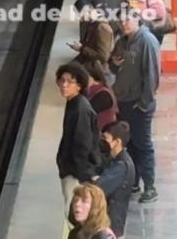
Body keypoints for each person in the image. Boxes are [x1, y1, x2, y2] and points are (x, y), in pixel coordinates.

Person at [111, 8, 160, 203]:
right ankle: (133, 182)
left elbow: (152, 75)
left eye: (127, 20)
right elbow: (115, 67)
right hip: (124, 101)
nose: (124, 23)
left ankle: (150, 186)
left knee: (143, 146)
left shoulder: (147, 41)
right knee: (129, 144)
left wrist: (144, 104)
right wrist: (114, 63)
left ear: (138, 20)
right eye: (121, 21)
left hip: (138, 104)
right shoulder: (122, 41)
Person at [57, 62, 102, 210]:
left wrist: (82, 175)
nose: (64, 85)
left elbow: (82, 144)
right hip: (73, 169)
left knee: (74, 211)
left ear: (79, 86)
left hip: (76, 174)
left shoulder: (80, 109)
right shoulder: (74, 103)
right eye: (62, 80)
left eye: (70, 82)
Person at [94, 121, 135, 238]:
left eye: (105, 138)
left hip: (111, 226)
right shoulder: (114, 159)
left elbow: (98, 188)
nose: (102, 141)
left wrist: (95, 179)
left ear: (117, 142)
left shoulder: (121, 166)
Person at [84, 60, 118, 131]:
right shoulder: (93, 89)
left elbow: (85, 113)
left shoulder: (103, 95)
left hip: (102, 133)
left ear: (91, 77)